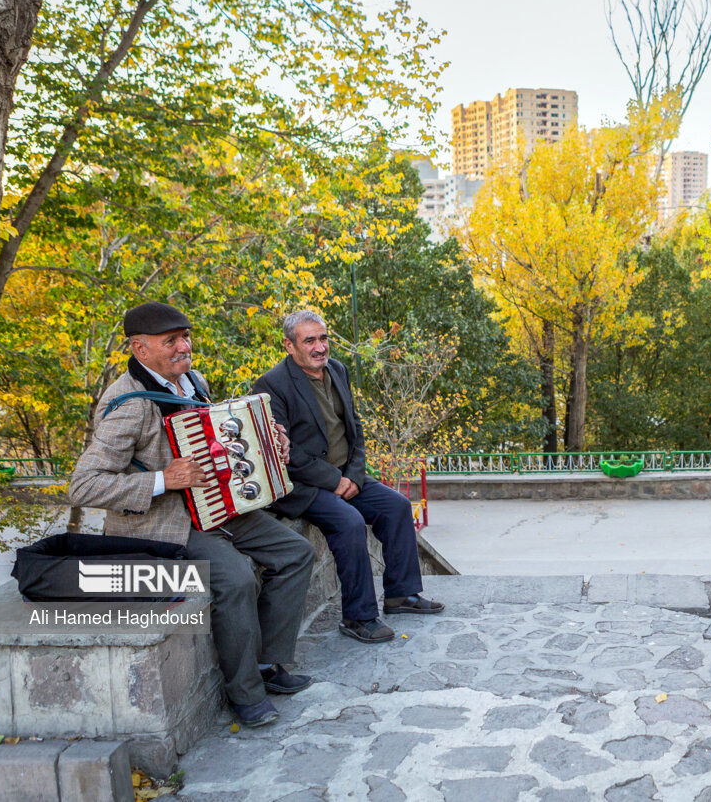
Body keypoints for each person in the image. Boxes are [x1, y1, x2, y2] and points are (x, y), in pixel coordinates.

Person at [69, 302, 316, 729]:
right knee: (236, 578)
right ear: (140, 349)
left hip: (216, 504)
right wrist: (164, 479)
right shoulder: (127, 403)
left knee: (296, 552)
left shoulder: (192, 382)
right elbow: (84, 485)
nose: (184, 346)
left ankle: (271, 665)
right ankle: (246, 694)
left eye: (185, 337)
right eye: (172, 341)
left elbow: (212, 440)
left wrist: (265, 444)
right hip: (162, 520)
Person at [254, 311, 443, 645]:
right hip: (305, 485)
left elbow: (354, 427)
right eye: (309, 340)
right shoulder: (271, 386)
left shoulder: (338, 370)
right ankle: (358, 617)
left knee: (397, 506)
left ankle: (400, 595)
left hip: (348, 474)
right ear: (289, 345)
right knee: (349, 522)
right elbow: (287, 452)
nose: (319, 346)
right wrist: (333, 481)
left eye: (323, 338)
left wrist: (354, 474)